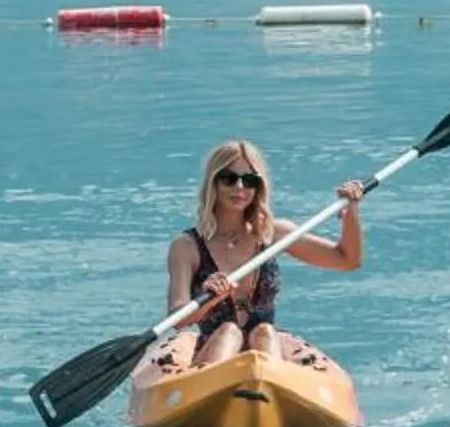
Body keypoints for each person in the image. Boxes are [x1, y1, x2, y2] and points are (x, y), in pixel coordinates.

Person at [148, 140, 366, 375]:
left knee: (264, 331)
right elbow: (177, 319)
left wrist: (351, 212)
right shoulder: (186, 247)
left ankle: (269, 391)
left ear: (258, 186)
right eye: (229, 178)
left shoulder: (274, 233)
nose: (240, 187)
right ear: (214, 183)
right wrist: (208, 297)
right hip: (213, 351)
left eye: (250, 180)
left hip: (265, 349)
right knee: (229, 331)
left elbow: (346, 260)